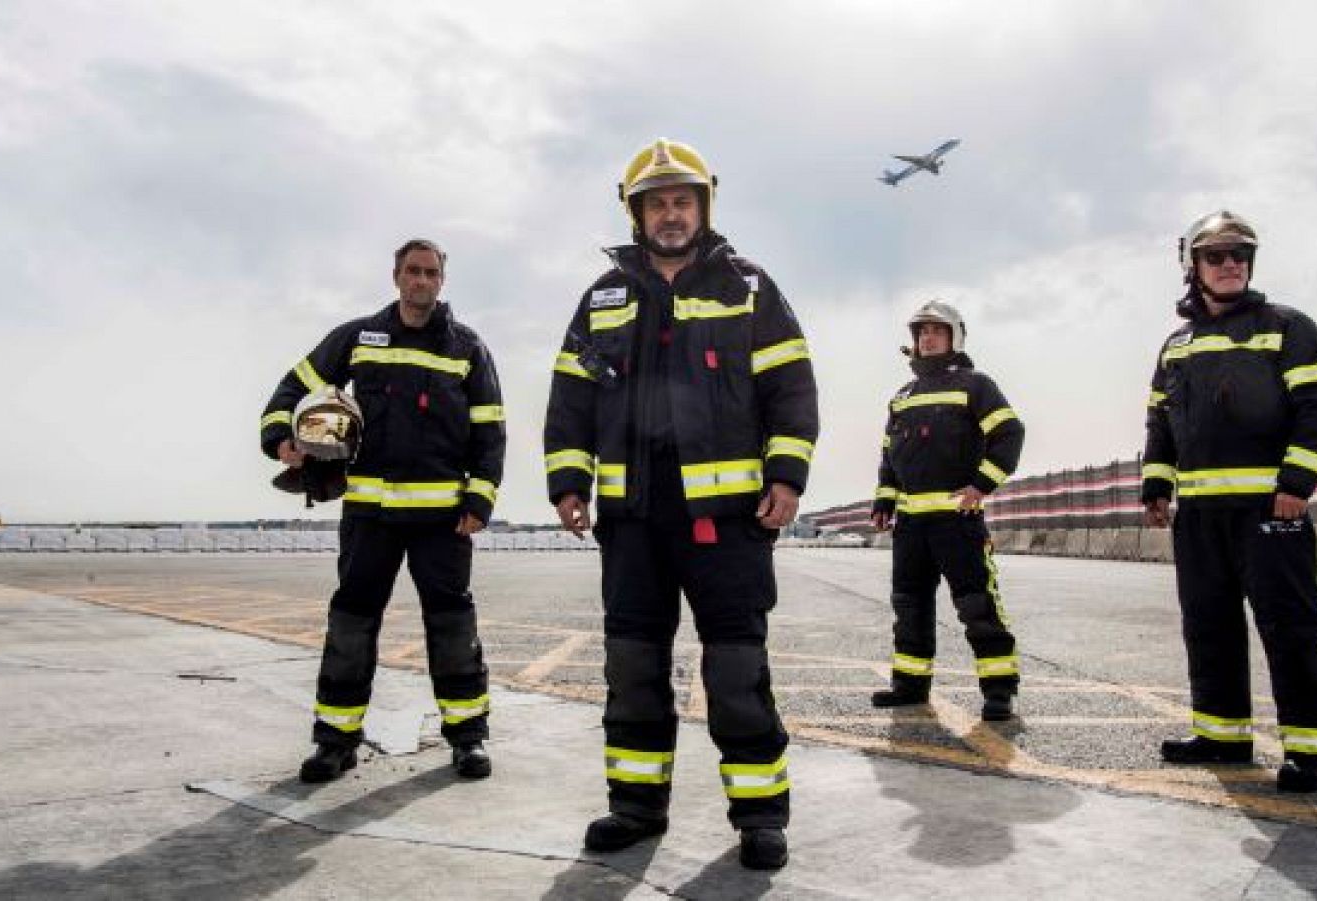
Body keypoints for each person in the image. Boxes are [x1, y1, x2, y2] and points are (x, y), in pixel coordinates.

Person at [544, 138, 818, 870]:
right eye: (658, 201)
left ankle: (760, 813)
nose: (671, 213)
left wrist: (786, 476)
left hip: (727, 520)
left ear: (704, 206)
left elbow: (791, 386)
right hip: (632, 517)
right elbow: (569, 397)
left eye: (683, 199)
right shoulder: (602, 297)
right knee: (631, 664)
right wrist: (569, 483)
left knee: (734, 670)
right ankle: (635, 805)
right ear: (637, 212)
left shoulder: (749, 287)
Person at [260, 238, 505, 784]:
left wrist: (481, 498)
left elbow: (491, 430)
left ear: (442, 281)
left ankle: (467, 738)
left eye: (432, 273)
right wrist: (282, 440)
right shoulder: (357, 338)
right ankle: (334, 741)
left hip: (443, 519)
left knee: (451, 626)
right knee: (351, 623)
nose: (422, 281)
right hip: (369, 514)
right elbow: (290, 389)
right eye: (413, 271)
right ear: (396, 276)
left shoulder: (467, 348)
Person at [1142, 211, 1317, 793]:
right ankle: (1222, 735)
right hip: (1200, 515)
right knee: (1208, 624)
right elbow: (1161, 421)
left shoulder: (1288, 326)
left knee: (1292, 625)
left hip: (1269, 510)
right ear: (1193, 267)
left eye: (1240, 254)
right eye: (1216, 255)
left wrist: (1296, 485)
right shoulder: (1176, 345)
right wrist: (1157, 484)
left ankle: (1312, 750)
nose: (1231, 263)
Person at [869, 301, 1025, 720]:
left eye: (937, 331)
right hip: (911, 525)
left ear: (954, 337)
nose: (928, 337)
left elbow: (1010, 433)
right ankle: (910, 685)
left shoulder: (976, 385)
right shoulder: (902, 397)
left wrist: (982, 484)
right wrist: (884, 498)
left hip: (958, 522)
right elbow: (889, 454)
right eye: (921, 332)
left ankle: (999, 691)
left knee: (977, 605)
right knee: (909, 605)